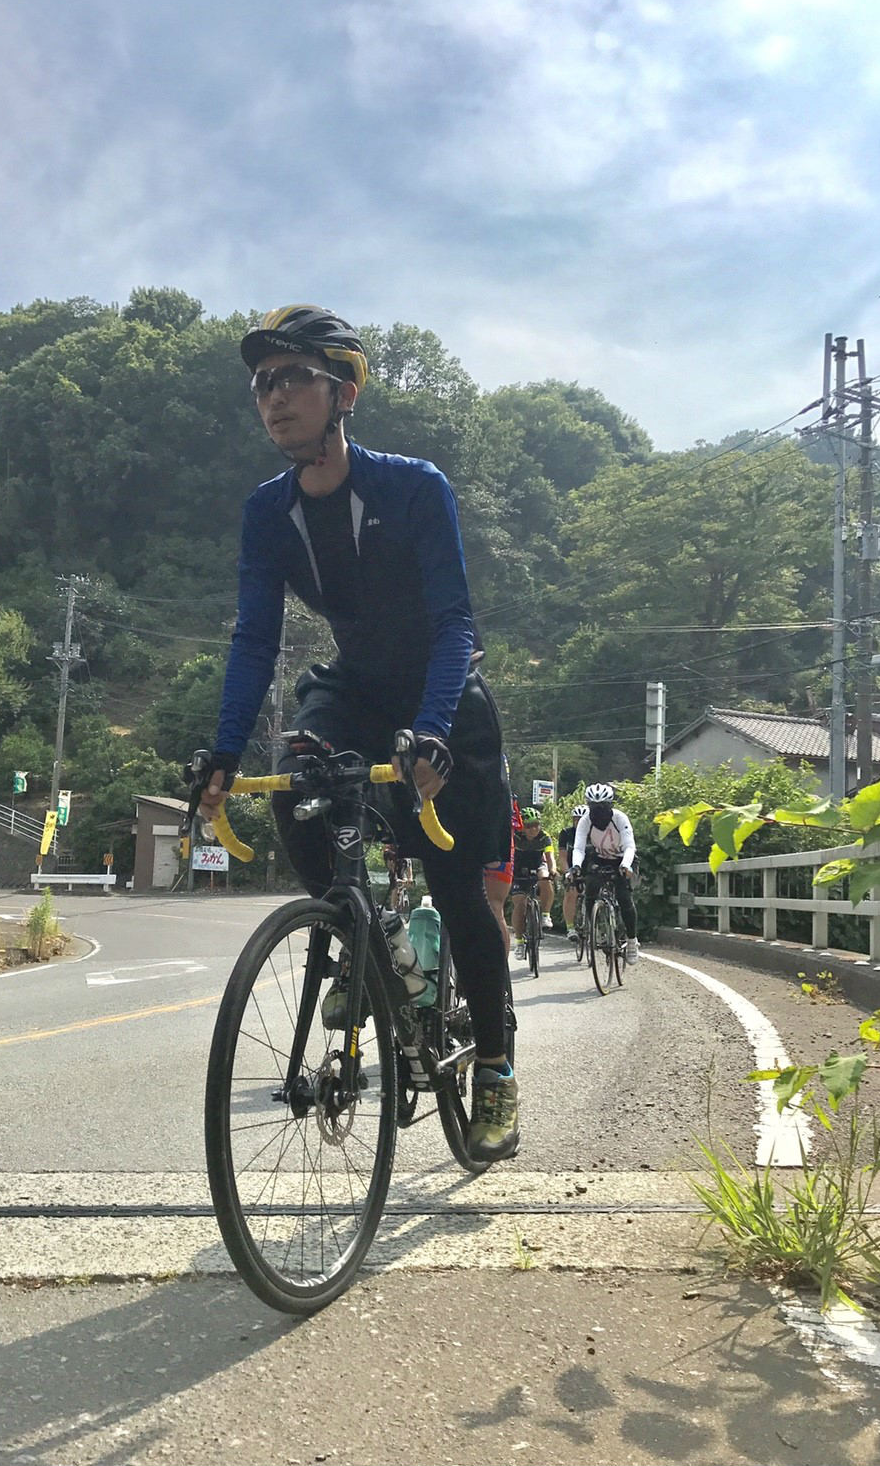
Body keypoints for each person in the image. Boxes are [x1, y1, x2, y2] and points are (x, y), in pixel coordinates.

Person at [194, 305, 518, 1163]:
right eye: (261, 383)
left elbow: (453, 623)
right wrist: (223, 753)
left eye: (292, 377)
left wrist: (435, 731)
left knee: (460, 894)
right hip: (356, 691)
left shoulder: (413, 487)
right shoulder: (268, 513)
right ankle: (361, 940)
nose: (272, 396)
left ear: (343, 393)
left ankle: (495, 1069)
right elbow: (255, 640)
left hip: (444, 697)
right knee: (295, 780)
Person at [567, 783, 639, 963]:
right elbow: (578, 847)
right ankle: (596, 928)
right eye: (594, 808)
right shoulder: (585, 821)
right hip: (599, 858)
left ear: (610, 806)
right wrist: (576, 866)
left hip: (622, 859)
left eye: (603, 807)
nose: (598, 812)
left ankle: (632, 940)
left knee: (624, 898)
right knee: (590, 890)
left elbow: (630, 846)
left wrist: (625, 865)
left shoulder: (620, 818)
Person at [510, 810, 557, 949]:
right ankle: (519, 941)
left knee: (545, 878)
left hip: (538, 865)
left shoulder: (544, 837)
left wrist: (553, 870)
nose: (534, 829)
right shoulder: (515, 837)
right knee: (519, 905)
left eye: (536, 824)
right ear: (522, 827)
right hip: (518, 869)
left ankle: (545, 915)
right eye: (529, 826)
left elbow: (550, 857)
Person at [483, 792, 522, 958]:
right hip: (499, 846)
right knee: (495, 907)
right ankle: (501, 969)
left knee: (494, 906)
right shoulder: (501, 787)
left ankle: (500, 965)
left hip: (491, 846)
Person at [558, 803, 586, 942]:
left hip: (588, 867)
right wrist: (567, 872)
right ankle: (570, 928)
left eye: (581, 819)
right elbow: (562, 857)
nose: (578, 822)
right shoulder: (566, 833)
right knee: (571, 892)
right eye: (576, 819)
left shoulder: (593, 832)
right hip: (571, 867)